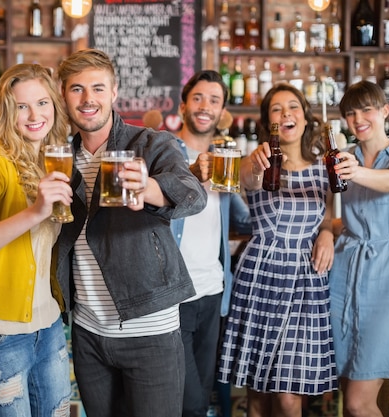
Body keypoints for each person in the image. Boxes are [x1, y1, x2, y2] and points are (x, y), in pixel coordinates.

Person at [54, 48, 207, 417]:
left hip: (150, 332)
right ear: (63, 95)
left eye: (97, 88)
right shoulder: (58, 156)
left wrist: (149, 188)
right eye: (77, 89)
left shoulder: (151, 144)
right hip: (89, 334)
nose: (88, 99)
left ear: (114, 92)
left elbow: (193, 195)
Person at [0, 63, 72, 416]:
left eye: (43, 102)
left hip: (47, 325)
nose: (35, 114)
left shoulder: (49, 161)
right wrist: (35, 212)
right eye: (22, 106)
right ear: (8, 112)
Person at [217, 83, 338, 417]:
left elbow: (329, 214)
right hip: (261, 275)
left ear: (305, 116)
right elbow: (246, 179)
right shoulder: (258, 161)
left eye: (293, 107)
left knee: (288, 396)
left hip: (306, 280)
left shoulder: (323, 167)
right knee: (258, 392)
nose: (286, 114)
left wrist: (327, 232)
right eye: (276, 109)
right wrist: (255, 164)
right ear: (267, 121)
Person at [172, 70, 251, 417]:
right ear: (184, 104)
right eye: (199, 98)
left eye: (214, 100)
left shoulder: (225, 157)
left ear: (222, 113)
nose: (205, 107)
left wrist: (260, 183)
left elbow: (242, 219)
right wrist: (193, 170)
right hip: (174, 294)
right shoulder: (163, 149)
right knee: (186, 401)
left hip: (213, 292)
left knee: (202, 397)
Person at [329, 80, 389, 417]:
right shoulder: (347, 157)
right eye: (350, 113)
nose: (358, 118)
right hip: (344, 275)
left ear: (385, 111)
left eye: (366, 110)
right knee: (349, 389)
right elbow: (340, 219)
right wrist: (323, 232)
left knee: (358, 403)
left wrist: (356, 171)